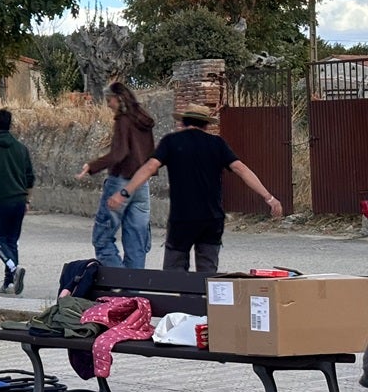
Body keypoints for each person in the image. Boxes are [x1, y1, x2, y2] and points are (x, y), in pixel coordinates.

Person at [108, 103, 283, 272]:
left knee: (174, 271)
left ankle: (180, 302)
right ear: (206, 125)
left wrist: (124, 193)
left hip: (182, 219)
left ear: (184, 122)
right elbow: (241, 169)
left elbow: (149, 167)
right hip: (212, 218)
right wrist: (269, 198)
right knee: (207, 274)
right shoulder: (217, 144)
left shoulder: (171, 141)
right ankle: (204, 302)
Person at [76, 82, 156, 269]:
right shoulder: (144, 120)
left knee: (102, 239)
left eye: (109, 100)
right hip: (141, 184)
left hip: (120, 181)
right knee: (136, 242)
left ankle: (120, 283)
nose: (108, 105)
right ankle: (134, 288)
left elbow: (119, 153)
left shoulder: (123, 120)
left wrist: (92, 166)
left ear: (119, 99)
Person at [0, 109, 35, 295]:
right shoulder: (20, 148)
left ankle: (13, 268)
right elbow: (30, 177)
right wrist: (27, 199)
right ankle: (9, 283)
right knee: (12, 241)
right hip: (19, 201)